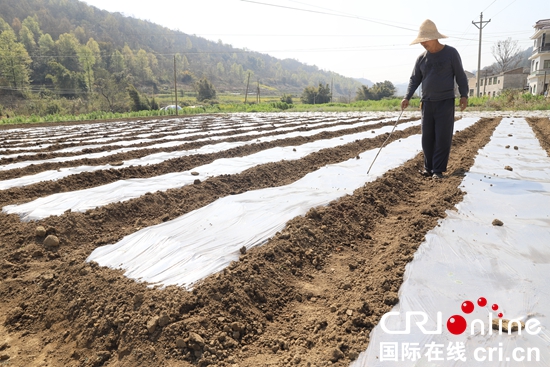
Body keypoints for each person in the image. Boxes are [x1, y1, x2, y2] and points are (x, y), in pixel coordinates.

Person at [401, 19, 469, 179]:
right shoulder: (421, 58)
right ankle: (428, 168)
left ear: (434, 38)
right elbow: (414, 79)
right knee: (427, 137)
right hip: (427, 102)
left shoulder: (451, 53)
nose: (422, 44)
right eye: (421, 41)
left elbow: (460, 75)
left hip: (445, 101)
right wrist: (407, 97)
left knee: (442, 136)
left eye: (425, 40)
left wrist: (464, 95)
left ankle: (437, 170)